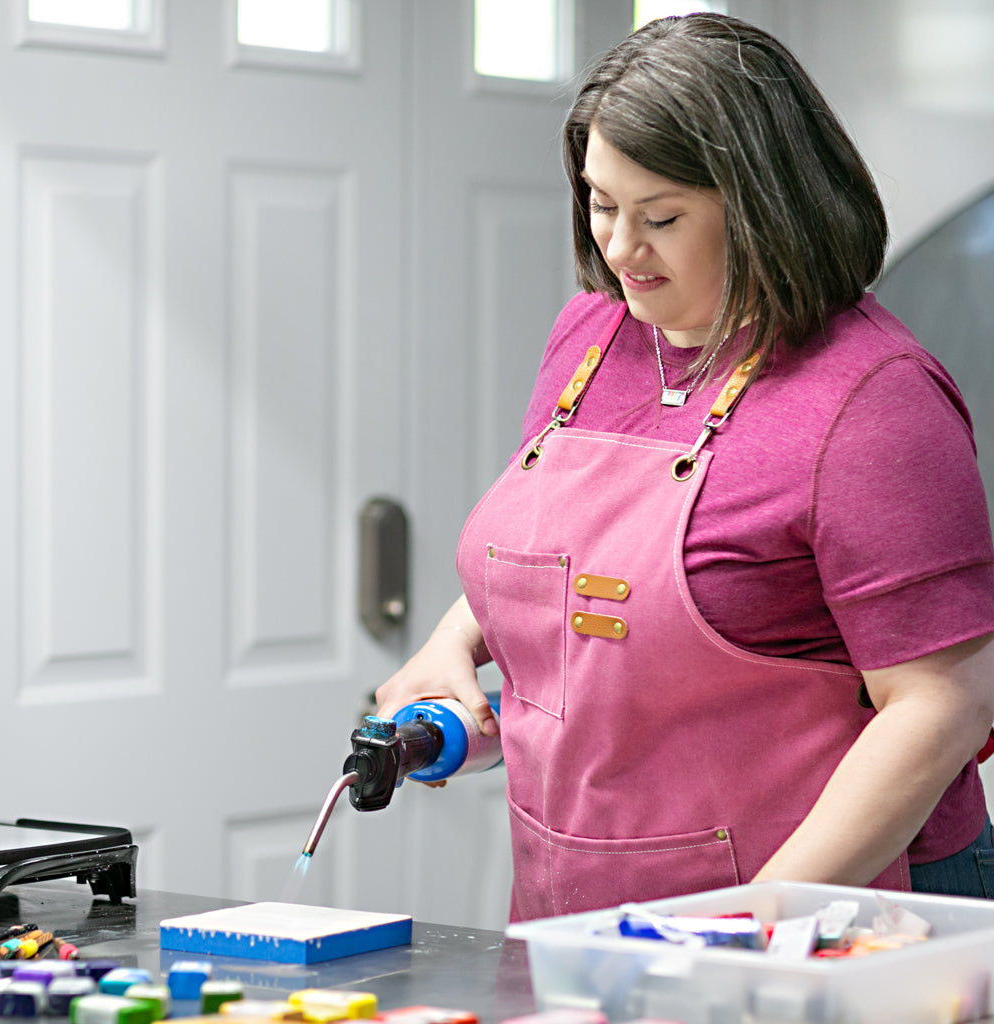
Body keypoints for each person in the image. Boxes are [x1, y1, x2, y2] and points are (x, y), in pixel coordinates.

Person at [376, 12, 994, 922]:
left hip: (829, 919)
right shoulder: (591, 338)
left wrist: (758, 915)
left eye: (660, 216)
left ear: (763, 205)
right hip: (587, 910)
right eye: (599, 203)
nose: (621, 249)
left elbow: (943, 704)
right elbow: (573, 543)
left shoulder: (874, 400)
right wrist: (448, 646)